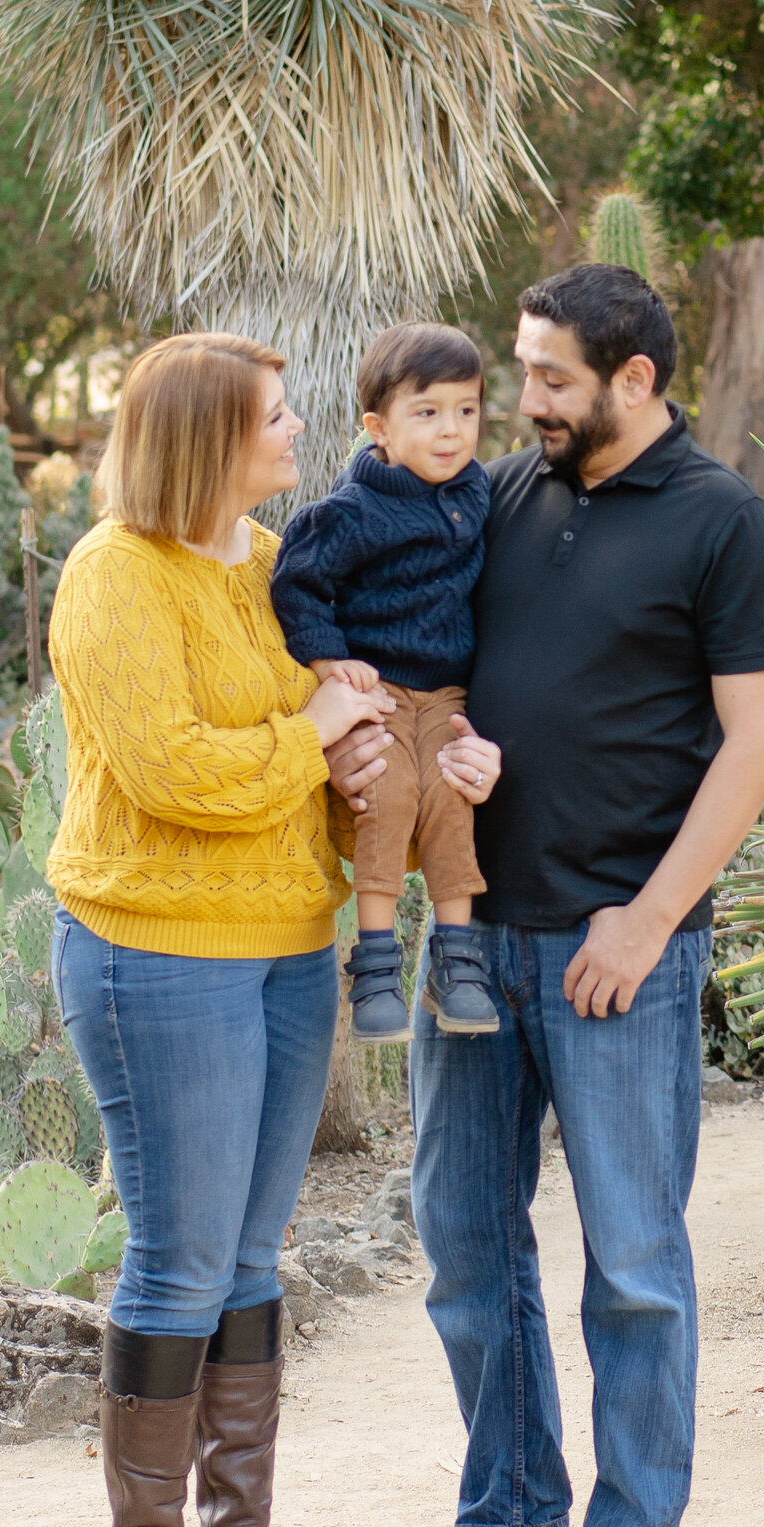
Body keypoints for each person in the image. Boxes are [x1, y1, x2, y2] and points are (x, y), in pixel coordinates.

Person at [384, 262, 764, 1527]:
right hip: (475, 940)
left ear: (636, 378)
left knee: (630, 1256)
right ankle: (508, 1516)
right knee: (462, 1240)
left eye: (552, 375)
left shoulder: (725, 524)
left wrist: (650, 914)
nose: (526, 400)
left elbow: (760, 742)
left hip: (617, 951)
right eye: (522, 371)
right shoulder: (499, 496)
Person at [47, 331, 390, 1527]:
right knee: (181, 1255)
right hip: (158, 951)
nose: (300, 430)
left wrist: (355, 722)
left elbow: (324, 706)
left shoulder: (268, 564)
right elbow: (174, 769)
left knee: (251, 1255)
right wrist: (309, 734)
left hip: (290, 943)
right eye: (274, 416)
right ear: (204, 439)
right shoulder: (113, 578)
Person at [271, 322, 502, 1044]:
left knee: (451, 795)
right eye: (426, 413)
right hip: (382, 691)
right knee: (389, 795)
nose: (451, 431)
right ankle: (375, 965)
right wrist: (327, 658)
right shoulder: (354, 510)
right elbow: (297, 583)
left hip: (448, 693)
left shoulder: (478, 492)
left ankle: (455, 963)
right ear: (378, 427)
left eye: (467, 410)